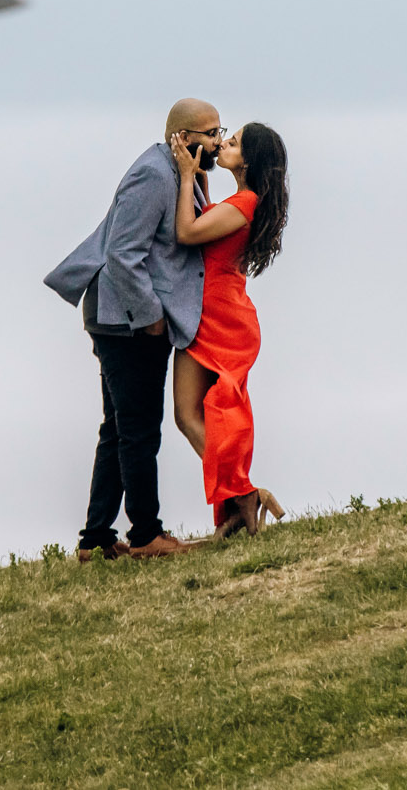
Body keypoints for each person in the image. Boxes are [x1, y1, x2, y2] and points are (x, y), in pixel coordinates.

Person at [43, 99, 223, 561]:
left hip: (125, 319)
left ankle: (96, 538)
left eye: (221, 131)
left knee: (119, 428)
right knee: (140, 429)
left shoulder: (180, 174)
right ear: (182, 138)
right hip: (124, 321)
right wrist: (153, 319)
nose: (219, 142)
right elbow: (124, 254)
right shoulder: (154, 175)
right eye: (211, 133)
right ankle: (146, 534)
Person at [169, 122, 290, 536]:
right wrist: (198, 172)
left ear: (248, 161)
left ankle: (243, 496)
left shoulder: (244, 203)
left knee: (198, 414)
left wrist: (186, 176)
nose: (223, 143)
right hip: (215, 313)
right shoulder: (239, 201)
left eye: (233, 143)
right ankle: (241, 499)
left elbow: (187, 231)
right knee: (189, 417)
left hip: (219, 318)